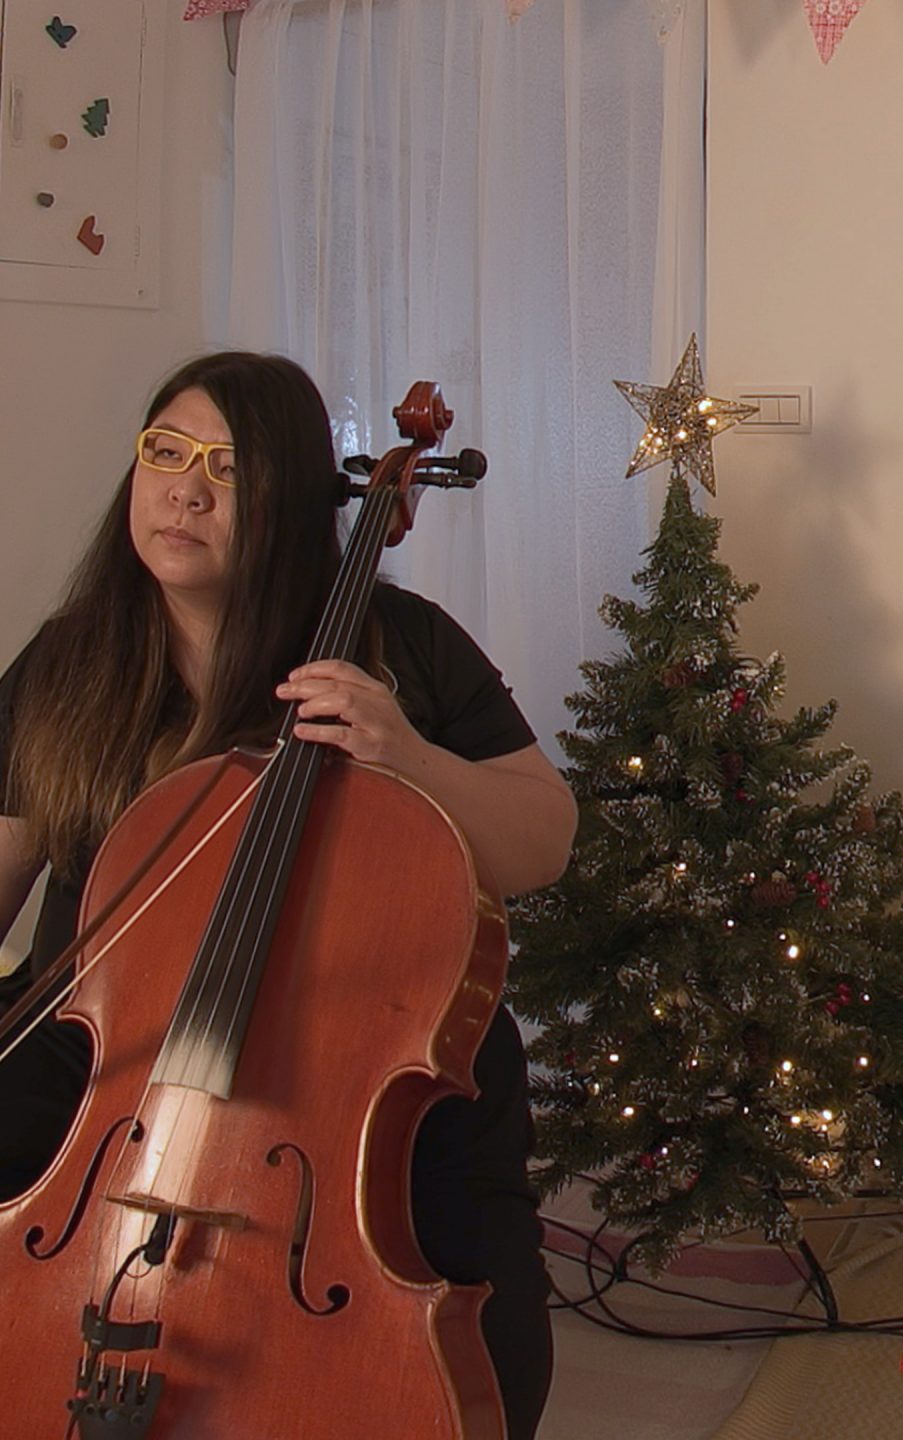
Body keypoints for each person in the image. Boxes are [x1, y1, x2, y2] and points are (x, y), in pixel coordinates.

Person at [0, 351, 577, 1437]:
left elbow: (543, 839)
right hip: (108, 1056)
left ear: (298, 501)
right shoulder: (72, 661)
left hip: (357, 1058)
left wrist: (409, 756)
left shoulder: (403, 646)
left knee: (480, 1322)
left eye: (229, 469)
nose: (186, 490)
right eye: (166, 452)